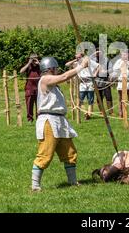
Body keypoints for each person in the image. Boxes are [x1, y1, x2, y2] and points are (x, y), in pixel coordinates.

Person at [31, 56, 89, 192]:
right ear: (50, 69)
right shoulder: (45, 79)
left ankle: (72, 182)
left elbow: (64, 78)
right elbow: (64, 77)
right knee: (45, 155)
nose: (57, 70)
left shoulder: (54, 84)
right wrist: (81, 66)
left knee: (70, 153)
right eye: (55, 68)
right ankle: (35, 186)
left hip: (60, 121)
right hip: (49, 121)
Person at [66, 52, 99, 120]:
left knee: (90, 100)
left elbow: (98, 66)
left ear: (82, 56)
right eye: (76, 57)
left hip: (90, 81)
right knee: (80, 100)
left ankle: (89, 115)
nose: (77, 58)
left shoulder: (89, 61)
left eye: (79, 57)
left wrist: (95, 73)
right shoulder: (76, 63)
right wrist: (75, 60)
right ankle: (85, 113)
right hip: (82, 83)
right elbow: (67, 64)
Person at [112, 50, 129, 119]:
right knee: (120, 99)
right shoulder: (119, 61)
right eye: (122, 55)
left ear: (128, 54)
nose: (123, 56)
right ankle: (121, 114)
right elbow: (115, 69)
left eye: (125, 54)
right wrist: (121, 65)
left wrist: (128, 65)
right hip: (121, 82)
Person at [19, 53, 41, 123]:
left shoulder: (40, 66)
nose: (34, 60)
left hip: (39, 88)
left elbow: (45, 70)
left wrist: (39, 63)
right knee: (29, 104)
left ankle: (39, 118)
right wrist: (29, 63)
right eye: (33, 59)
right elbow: (21, 71)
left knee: (39, 104)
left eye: (35, 58)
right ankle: (30, 119)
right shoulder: (28, 66)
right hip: (29, 88)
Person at [95, 50, 114, 116]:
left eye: (99, 53)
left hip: (106, 81)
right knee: (99, 98)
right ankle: (101, 111)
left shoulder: (107, 60)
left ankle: (111, 112)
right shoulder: (93, 60)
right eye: (97, 54)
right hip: (97, 81)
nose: (98, 55)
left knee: (108, 97)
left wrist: (105, 71)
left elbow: (111, 69)